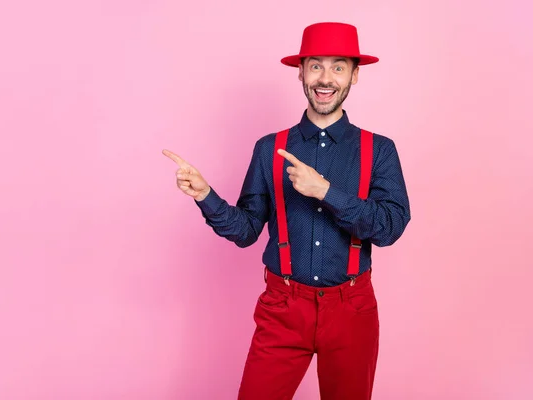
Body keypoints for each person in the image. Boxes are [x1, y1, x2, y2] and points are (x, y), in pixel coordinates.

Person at [163, 22, 410, 400]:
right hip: (282, 307)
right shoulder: (269, 149)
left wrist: (326, 191)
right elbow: (246, 231)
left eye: (338, 66)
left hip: (351, 310)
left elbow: (390, 227)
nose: (325, 78)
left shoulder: (379, 150)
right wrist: (205, 195)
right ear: (301, 72)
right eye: (315, 66)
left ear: (355, 75)